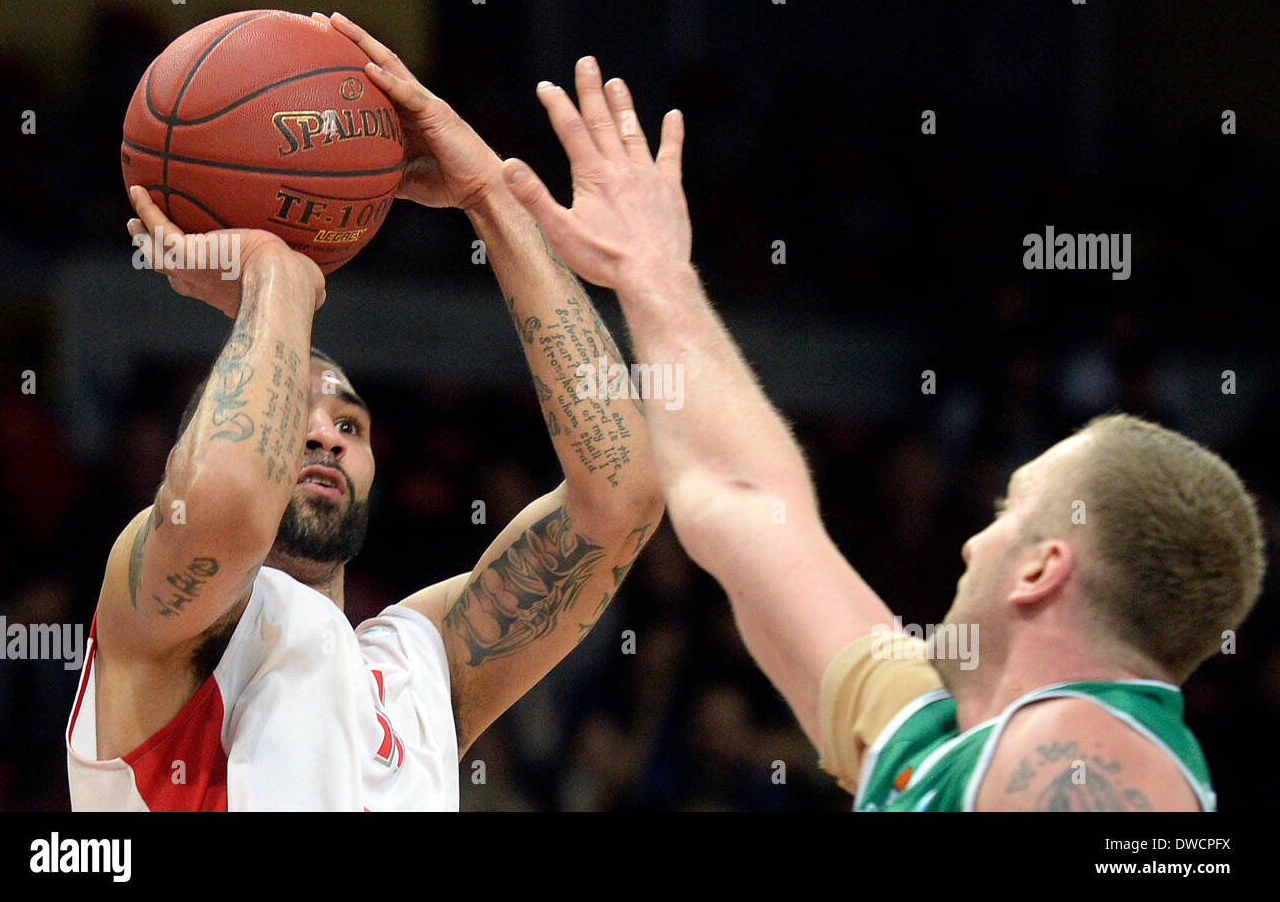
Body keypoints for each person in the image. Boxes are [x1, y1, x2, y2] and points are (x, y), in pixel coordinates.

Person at [501, 67, 1266, 811]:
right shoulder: (941, 742)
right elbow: (746, 502)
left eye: (1008, 512)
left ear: (1042, 567)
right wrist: (652, 276)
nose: (972, 542)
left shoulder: (1087, 760)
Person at [66, 14, 663, 811]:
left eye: (351, 424)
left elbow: (621, 497)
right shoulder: (164, 618)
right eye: (296, 418)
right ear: (188, 448)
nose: (323, 432)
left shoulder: (422, 664)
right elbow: (230, 501)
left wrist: (492, 200)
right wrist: (279, 276)